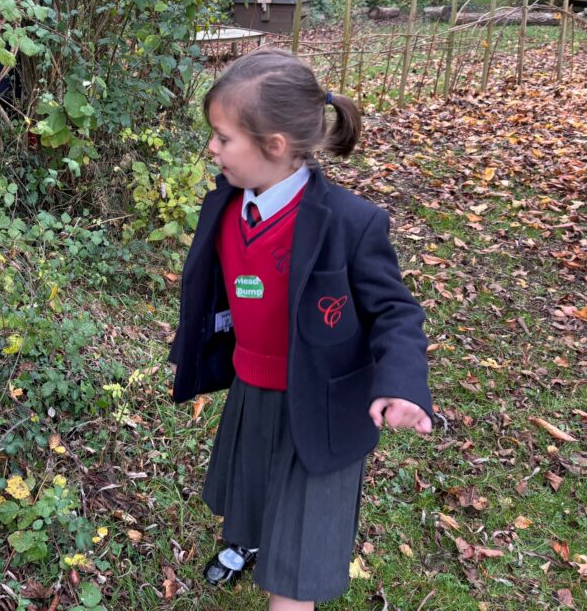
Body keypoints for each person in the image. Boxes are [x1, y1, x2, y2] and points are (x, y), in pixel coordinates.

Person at [168, 48, 433, 610]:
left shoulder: (351, 223)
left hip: (322, 405)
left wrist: (402, 383)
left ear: (276, 146)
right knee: (254, 487)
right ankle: (249, 541)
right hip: (251, 387)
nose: (211, 148)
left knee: (296, 566)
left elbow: (396, 311)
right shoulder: (226, 204)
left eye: (222, 137)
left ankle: (286, 574)